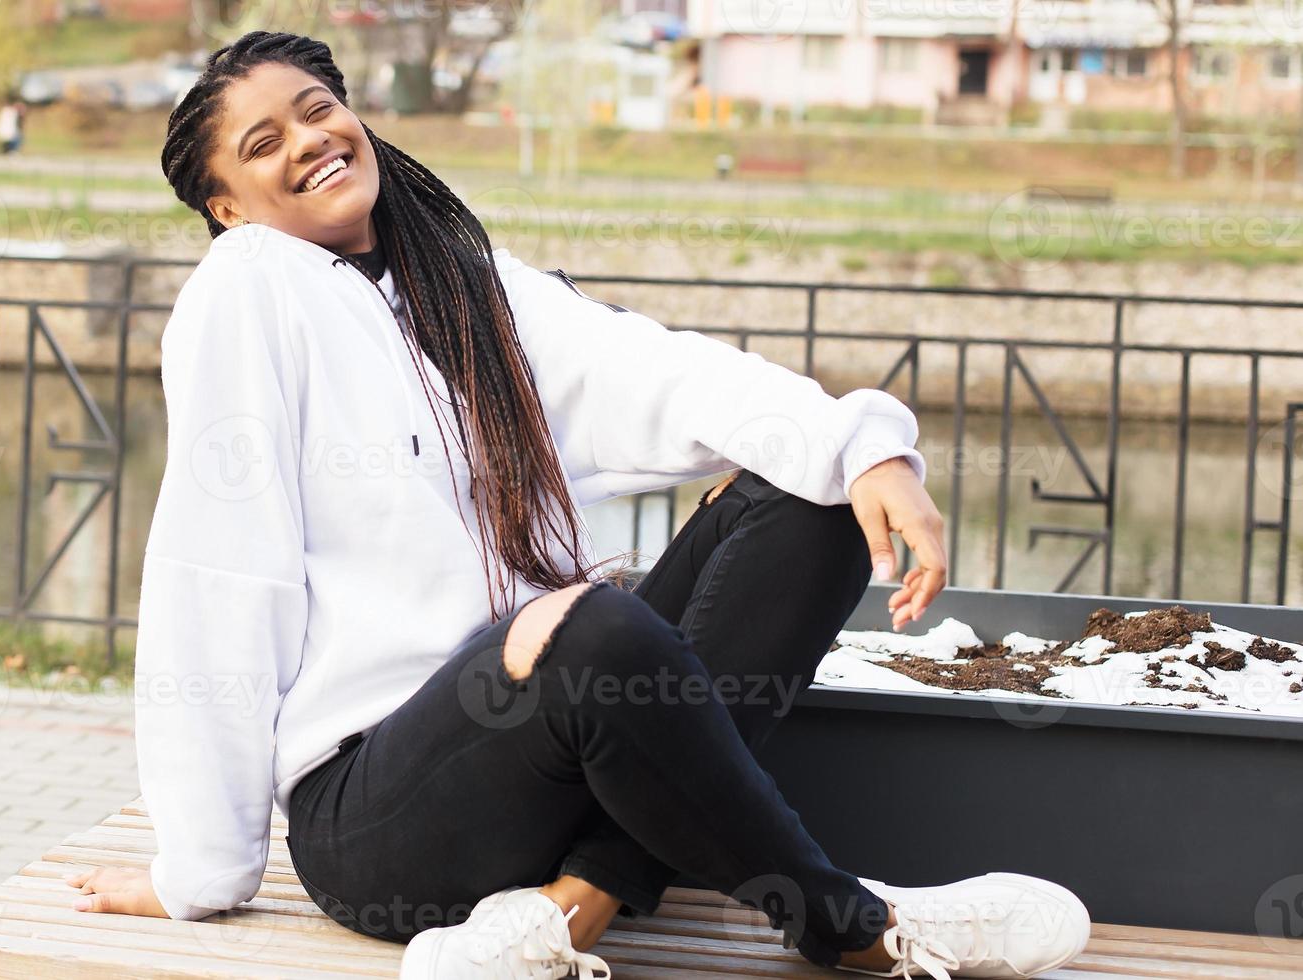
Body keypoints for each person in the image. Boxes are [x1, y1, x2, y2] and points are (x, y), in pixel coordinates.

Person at [61, 30, 1091, 980]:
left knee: (805, 501)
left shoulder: (458, 280)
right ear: (229, 205)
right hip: (381, 815)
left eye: (320, 104)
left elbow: (648, 368)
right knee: (591, 624)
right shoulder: (247, 288)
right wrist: (200, 866)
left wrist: (865, 451)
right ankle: (857, 926)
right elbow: (218, 577)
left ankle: (577, 900)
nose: (314, 138)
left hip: (549, 766)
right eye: (265, 140)